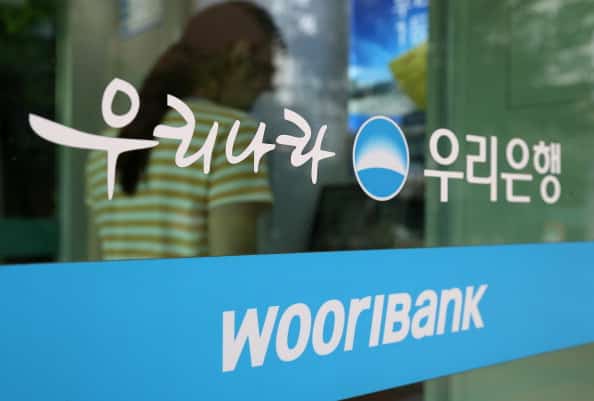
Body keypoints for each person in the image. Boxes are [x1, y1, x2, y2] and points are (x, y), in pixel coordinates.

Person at [85, 1, 283, 260]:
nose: (269, 87)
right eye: (267, 70)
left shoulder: (106, 145)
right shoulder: (233, 134)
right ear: (239, 56)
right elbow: (234, 272)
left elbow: (95, 269)